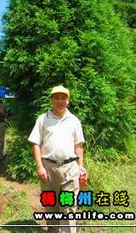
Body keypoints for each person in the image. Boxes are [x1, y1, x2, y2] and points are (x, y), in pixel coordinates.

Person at [28, 85, 87, 233]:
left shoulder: (74, 120)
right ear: (52, 100)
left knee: (69, 205)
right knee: (51, 204)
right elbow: (35, 143)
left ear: (68, 101)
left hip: (70, 168)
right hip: (48, 169)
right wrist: (39, 166)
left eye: (63, 98)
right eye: (56, 98)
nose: (60, 101)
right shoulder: (43, 119)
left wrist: (80, 167)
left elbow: (79, 146)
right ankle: (53, 230)